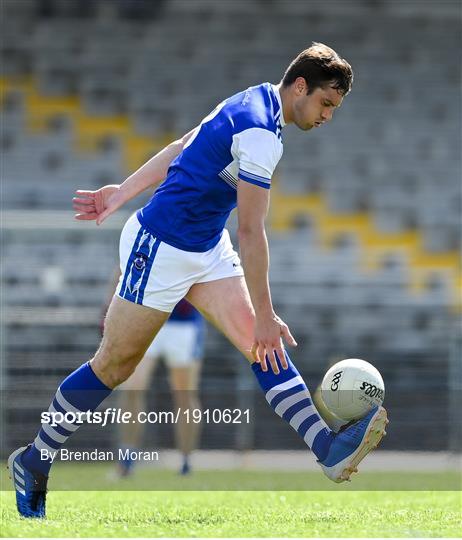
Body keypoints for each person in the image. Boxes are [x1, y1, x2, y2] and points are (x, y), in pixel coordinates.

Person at [9, 43, 388, 518]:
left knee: (259, 343)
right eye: (326, 103)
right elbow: (251, 232)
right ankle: (34, 459)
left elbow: (180, 147)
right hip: (161, 246)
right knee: (113, 366)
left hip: (205, 247)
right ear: (299, 87)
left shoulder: (252, 101)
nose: (328, 115)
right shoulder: (261, 133)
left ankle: (327, 449)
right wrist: (268, 314)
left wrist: (121, 191)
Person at [115, 297, 205, 477]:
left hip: (184, 323)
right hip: (147, 318)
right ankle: (127, 459)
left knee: (184, 394)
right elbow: (120, 271)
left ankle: (186, 462)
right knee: (133, 387)